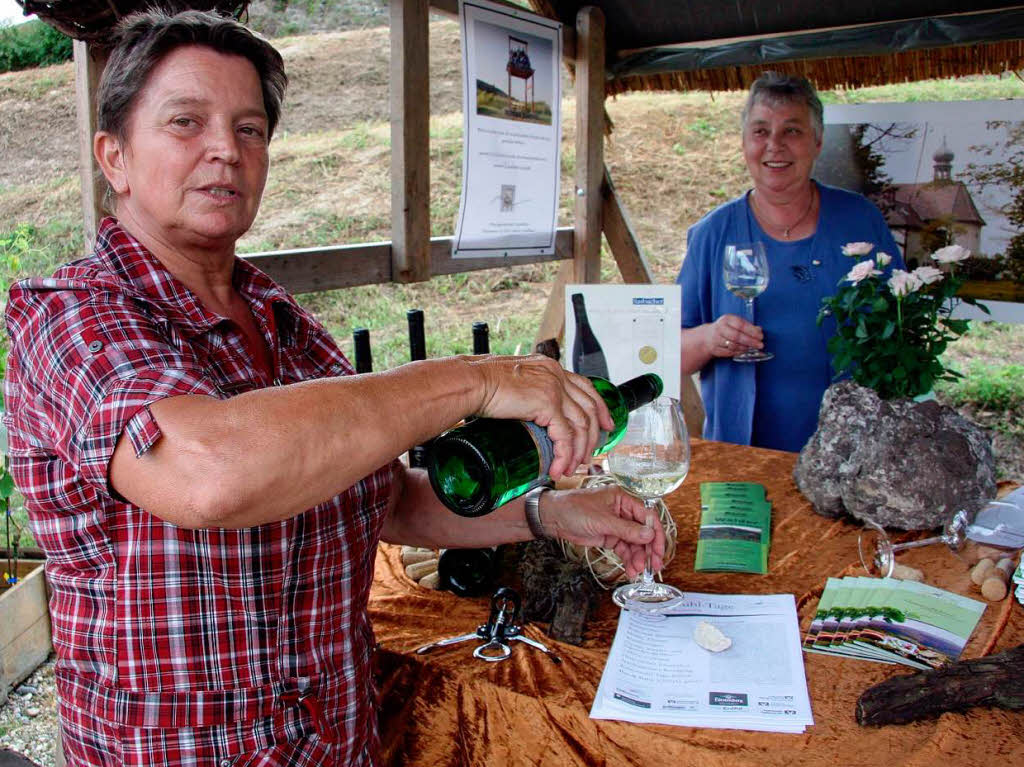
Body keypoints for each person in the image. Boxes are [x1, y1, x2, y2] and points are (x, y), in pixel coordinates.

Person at [2, 11, 663, 767]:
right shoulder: (69, 315)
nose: (225, 149)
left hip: (334, 741)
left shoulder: (288, 327)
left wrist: (550, 511)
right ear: (113, 156)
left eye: (250, 129)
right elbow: (210, 471)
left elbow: (384, 499)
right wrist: (479, 378)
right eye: (187, 121)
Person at [677, 71, 904, 453]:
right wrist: (709, 338)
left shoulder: (859, 220)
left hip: (854, 454)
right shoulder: (713, 233)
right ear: (744, 142)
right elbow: (670, 351)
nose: (774, 146)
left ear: (817, 142)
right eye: (761, 131)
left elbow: (900, 327)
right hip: (744, 455)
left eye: (792, 131)